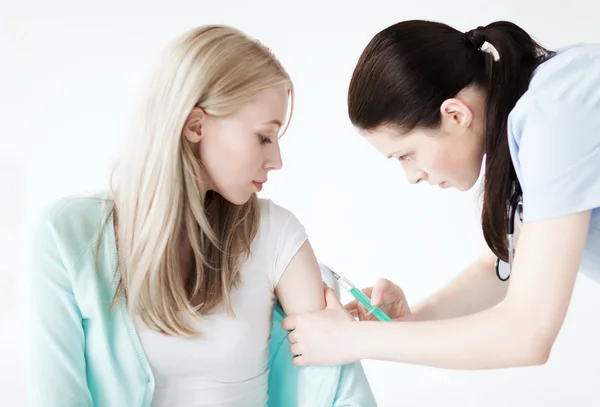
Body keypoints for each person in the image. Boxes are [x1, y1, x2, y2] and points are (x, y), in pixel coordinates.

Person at [26, 25, 376, 407]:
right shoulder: (64, 237)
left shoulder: (275, 233)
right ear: (196, 126)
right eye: (263, 137)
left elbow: (339, 384)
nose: (277, 160)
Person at [282, 20, 600, 370]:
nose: (411, 177)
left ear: (455, 114)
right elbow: (501, 265)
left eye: (406, 155)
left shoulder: (555, 112)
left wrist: (349, 340)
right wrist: (414, 319)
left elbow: (527, 335)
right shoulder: (527, 120)